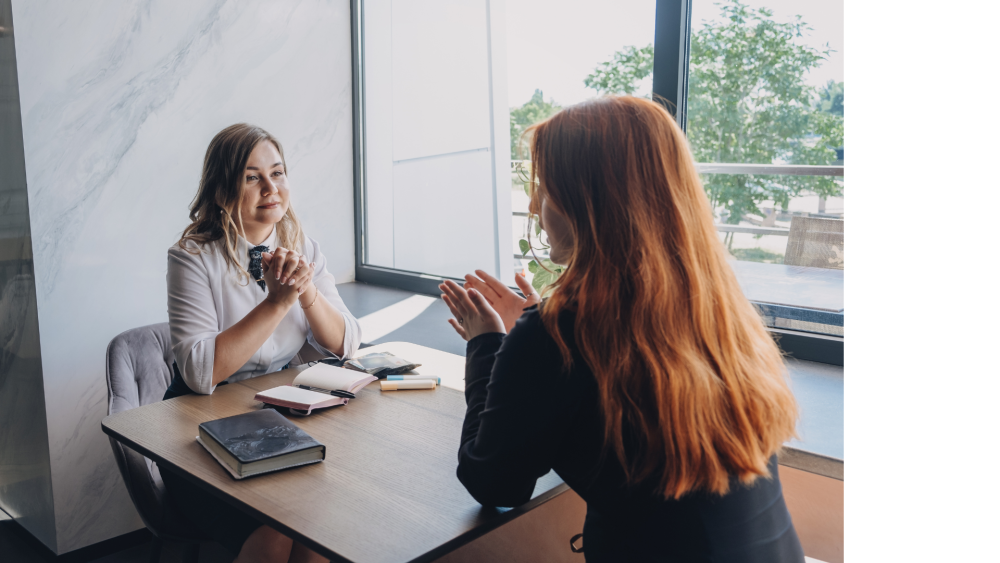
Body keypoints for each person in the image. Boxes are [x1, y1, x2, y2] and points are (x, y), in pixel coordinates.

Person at [439, 96, 804, 562]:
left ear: (588, 205)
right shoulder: (717, 309)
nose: (534, 205)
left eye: (545, 190)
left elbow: (493, 482)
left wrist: (488, 345)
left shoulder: (558, 334)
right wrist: (529, 337)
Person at [160, 123, 362, 563]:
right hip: (197, 429)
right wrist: (276, 302)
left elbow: (348, 343)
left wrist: (307, 293)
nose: (271, 187)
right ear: (221, 190)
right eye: (253, 177)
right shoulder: (191, 257)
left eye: (278, 172)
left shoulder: (303, 246)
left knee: (319, 526)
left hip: (275, 416)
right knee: (274, 533)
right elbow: (199, 374)